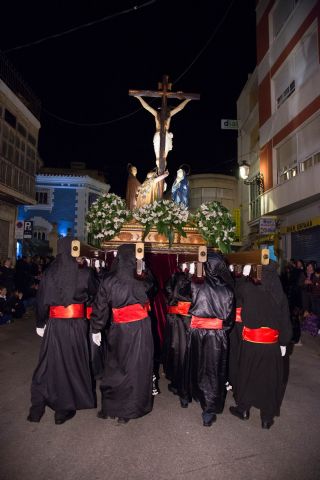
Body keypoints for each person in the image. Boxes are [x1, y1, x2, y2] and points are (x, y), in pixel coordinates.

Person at [27, 237, 97, 425]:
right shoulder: (84, 273)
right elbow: (93, 296)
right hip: (76, 325)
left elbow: (41, 300)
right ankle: (64, 407)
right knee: (71, 363)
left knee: (52, 363)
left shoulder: (49, 273)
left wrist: (40, 323)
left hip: (55, 325)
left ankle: (47, 402)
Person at [90, 244, 154, 424]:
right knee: (136, 369)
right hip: (140, 328)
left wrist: (96, 328)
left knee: (116, 368)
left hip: (119, 329)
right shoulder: (142, 278)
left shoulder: (109, 279)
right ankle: (130, 410)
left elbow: (100, 306)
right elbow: (152, 289)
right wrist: (143, 267)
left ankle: (113, 407)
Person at [229, 261, 293, 429]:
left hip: (250, 343)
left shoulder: (248, 289)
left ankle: (243, 409)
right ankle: (266, 418)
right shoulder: (279, 294)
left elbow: (236, 291)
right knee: (269, 380)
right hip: (271, 345)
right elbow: (285, 321)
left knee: (247, 376)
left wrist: (243, 276)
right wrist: (284, 342)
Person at [184, 254, 235, 427]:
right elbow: (229, 320)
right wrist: (218, 328)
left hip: (197, 333)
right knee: (214, 372)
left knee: (197, 366)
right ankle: (209, 411)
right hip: (217, 336)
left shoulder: (195, 285)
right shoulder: (228, 290)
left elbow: (185, 305)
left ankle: (195, 396)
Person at [133, 95, 191, 169]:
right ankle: (160, 174)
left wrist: (187, 100)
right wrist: (139, 97)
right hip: (159, 135)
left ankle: (162, 174)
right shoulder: (157, 114)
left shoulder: (169, 115)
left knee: (163, 158)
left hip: (166, 136)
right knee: (159, 158)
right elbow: (147, 107)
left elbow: (179, 108)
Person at [163, 268, 192, 406]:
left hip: (181, 321)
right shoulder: (182, 278)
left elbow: (168, 290)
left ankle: (180, 388)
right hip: (184, 321)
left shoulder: (180, 279)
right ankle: (181, 387)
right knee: (181, 354)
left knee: (179, 354)